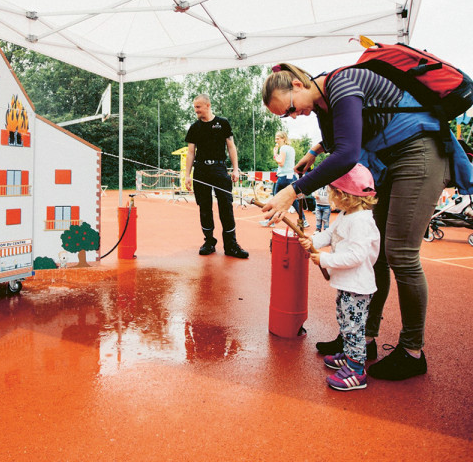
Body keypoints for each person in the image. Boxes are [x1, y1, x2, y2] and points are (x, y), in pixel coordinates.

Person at [260, 60, 471, 380]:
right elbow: (338, 142)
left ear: (299, 86)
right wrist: (315, 151)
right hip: (390, 161)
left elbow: (346, 155)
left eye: (289, 109)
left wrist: (293, 191)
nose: (292, 117)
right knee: (377, 255)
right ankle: (363, 339)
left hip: (419, 153)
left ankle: (412, 351)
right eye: (285, 117)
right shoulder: (321, 104)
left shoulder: (342, 83)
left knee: (400, 253)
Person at [298, 164, 379, 391]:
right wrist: (313, 242)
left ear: (344, 195)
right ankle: (349, 355)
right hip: (346, 283)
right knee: (345, 321)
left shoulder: (362, 221)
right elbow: (330, 235)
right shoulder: (347, 215)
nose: (330, 196)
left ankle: (357, 370)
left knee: (354, 327)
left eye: (333, 192)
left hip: (357, 285)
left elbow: (356, 256)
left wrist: (324, 260)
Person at [185, 94, 249, 259]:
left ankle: (231, 245)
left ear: (208, 105)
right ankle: (209, 242)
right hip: (200, 170)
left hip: (220, 168)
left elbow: (231, 147)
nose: (196, 110)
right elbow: (191, 153)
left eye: (198, 107)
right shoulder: (194, 128)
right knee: (204, 208)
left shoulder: (223, 123)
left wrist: (235, 169)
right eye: (195, 107)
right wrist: (187, 175)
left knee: (226, 207)